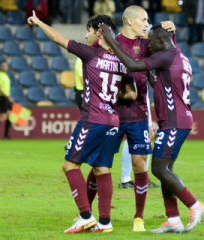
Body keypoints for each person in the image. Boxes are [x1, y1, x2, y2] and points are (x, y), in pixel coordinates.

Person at [100, 23, 204, 234]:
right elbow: (159, 80)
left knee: (158, 169)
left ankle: (195, 205)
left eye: (151, 43)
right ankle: (173, 219)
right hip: (178, 120)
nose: (149, 47)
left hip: (174, 122)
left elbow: (133, 64)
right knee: (166, 170)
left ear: (159, 42)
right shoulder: (180, 56)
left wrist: (112, 40)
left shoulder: (166, 55)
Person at [28, 12, 129, 233]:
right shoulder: (122, 60)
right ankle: (105, 221)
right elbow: (130, 92)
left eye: (89, 31)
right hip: (113, 121)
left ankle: (85, 215)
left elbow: (59, 39)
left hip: (92, 119)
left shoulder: (91, 54)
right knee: (102, 168)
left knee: (69, 165)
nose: (86, 36)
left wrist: (38, 22)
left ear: (99, 33)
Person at [85, 5, 175, 232]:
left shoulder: (146, 45)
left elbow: (169, 54)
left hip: (138, 115)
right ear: (130, 21)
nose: (147, 24)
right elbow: (90, 58)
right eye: (144, 20)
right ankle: (85, 212)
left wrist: (172, 34)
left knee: (139, 164)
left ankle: (139, 218)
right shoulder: (108, 41)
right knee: (99, 165)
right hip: (111, 114)